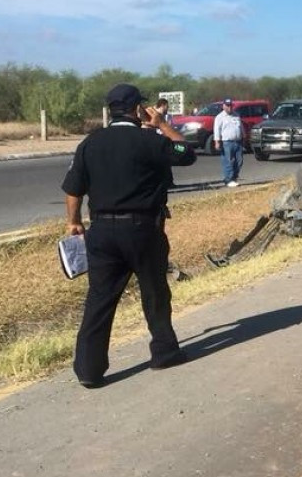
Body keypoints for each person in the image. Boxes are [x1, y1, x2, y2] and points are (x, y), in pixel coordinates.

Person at [61, 83, 197, 388]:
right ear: (138, 110)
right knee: (154, 292)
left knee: (100, 299)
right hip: (142, 229)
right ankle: (164, 352)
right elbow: (186, 152)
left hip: (102, 232)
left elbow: (73, 189)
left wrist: (73, 222)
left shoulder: (90, 143)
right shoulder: (150, 140)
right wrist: (162, 125)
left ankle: (88, 369)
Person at [213, 98, 244, 187]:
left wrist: (244, 135)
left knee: (239, 161)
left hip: (237, 141)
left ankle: (234, 177)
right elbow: (216, 130)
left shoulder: (236, 115)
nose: (229, 107)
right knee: (228, 161)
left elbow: (240, 126)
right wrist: (217, 142)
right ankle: (228, 179)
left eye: (230, 105)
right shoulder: (219, 117)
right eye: (227, 105)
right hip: (227, 142)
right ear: (223, 106)